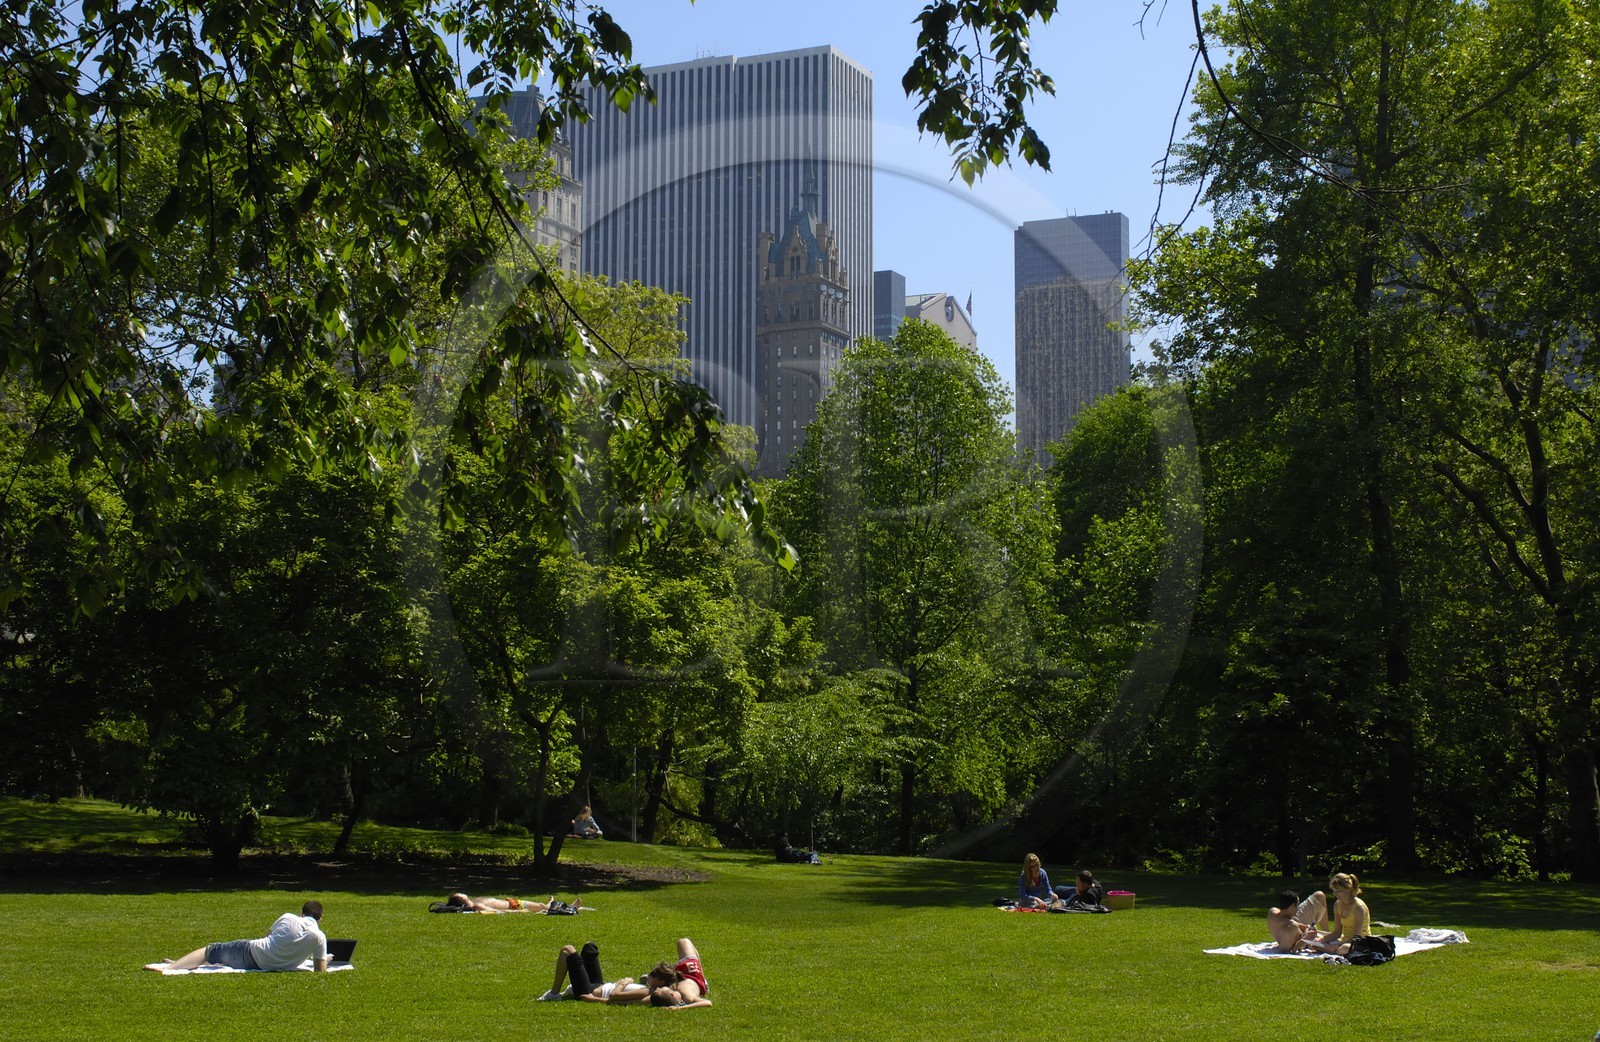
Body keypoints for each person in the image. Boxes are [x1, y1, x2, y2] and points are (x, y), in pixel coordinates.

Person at [143, 900, 330, 972]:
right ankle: (178, 964)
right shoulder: (319, 938)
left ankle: (170, 968)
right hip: (263, 964)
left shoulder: (288, 917)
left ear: (302, 913)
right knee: (215, 957)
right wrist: (325, 960)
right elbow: (319, 971)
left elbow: (267, 937)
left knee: (210, 951)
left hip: (250, 953)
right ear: (320, 919)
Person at [537, 941, 649, 1003]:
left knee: (567, 950)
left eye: (652, 974)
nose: (649, 975)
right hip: (600, 985)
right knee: (590, 947)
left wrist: (625, 982)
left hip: (590, 992)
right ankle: (574, 987)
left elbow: (615, 997)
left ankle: (553, 994)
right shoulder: (655, 988)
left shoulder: (648, 995)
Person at [1305, 872, 1370, 955]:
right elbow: (1337, 932)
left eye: (1338, 891)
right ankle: (1328, 948)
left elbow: (1357, 937)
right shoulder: (1338, 904)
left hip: (1359, 943)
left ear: (1348, 889)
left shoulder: (1358, 908)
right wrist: (1321, 940)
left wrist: (1337, 945)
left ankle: (1330, 949)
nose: (1335, 894)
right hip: (1344, 940)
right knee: (1315, 937)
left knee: (1343, 948)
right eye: (1334, 891)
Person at [644, 937, 713, 1009]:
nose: (658, 988)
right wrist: (678, 1008)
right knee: (683, 941)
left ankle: (651, 979)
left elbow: (645, 1000)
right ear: (671, 993)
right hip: (693, 974)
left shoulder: (669, 994)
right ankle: (703, 979)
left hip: (682, 977)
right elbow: (707, 1003)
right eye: (661, 988)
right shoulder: (688, 996)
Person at [1267, 889, 1326, 953]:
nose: (1298, 908)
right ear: (1292, 906)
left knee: (1319, 895)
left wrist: (1305, 927)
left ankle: (1326, 933)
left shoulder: (1272, 912)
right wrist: (1305, 938)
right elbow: (1285, 950)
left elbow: (1285, 920)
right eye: (1297, 905)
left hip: (1300, 932)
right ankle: (1327, 932)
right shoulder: (1292, 927)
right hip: (1306, 941)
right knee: (1331, 943)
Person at [440, 892, 556, 913]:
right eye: (459, 894)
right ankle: (551, 904)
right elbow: (496, 911)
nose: (461, 893)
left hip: (510, 902)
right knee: (542, 906)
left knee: (541, 906)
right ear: (461, 900)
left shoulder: (475, 901)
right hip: (515, 906)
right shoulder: (477, 906)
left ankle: (549, 904)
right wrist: (517, 912)